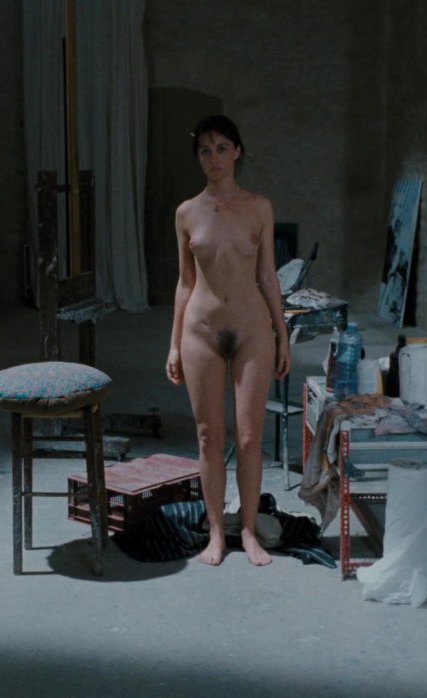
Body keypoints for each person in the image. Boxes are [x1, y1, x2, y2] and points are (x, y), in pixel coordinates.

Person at [165, 115, 290, 566]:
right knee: (208, 437)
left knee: (251, 436)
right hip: (201, 331)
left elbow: (268, 275)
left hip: (252, 330)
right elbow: (184, 282)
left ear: (237, 152)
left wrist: (282, 335)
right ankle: (217, 534)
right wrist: (174, 344)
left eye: (221, 148)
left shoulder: (259, 208)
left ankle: (250, 531)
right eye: (205, 150)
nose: (213, 158)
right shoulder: (186, 212)